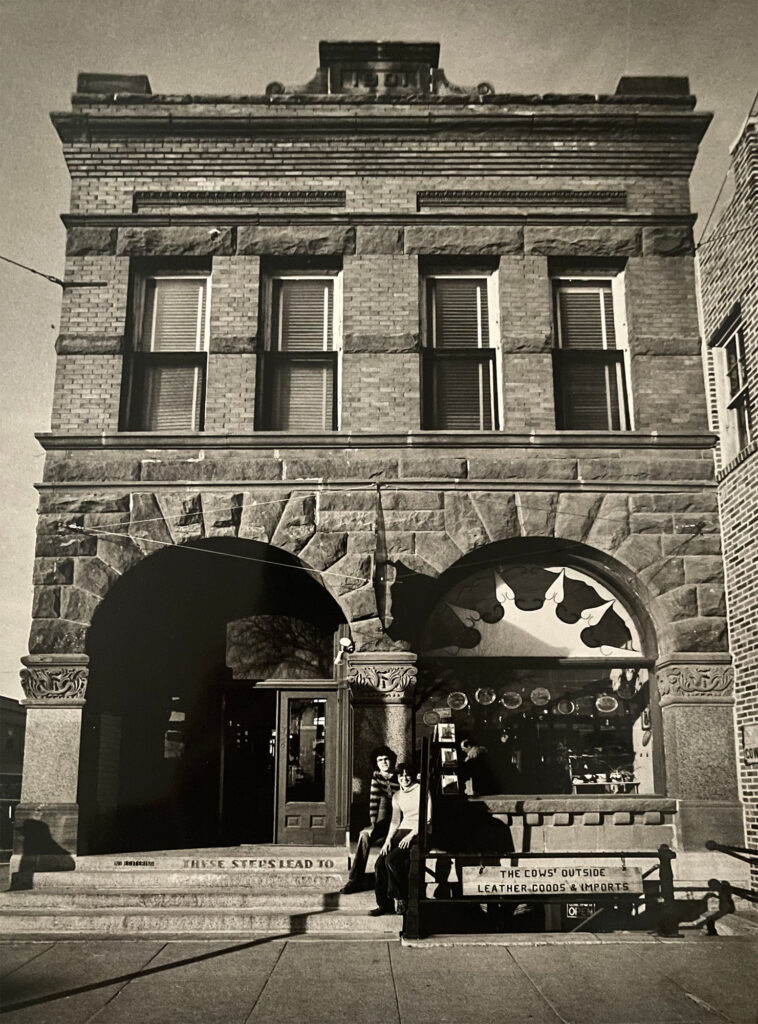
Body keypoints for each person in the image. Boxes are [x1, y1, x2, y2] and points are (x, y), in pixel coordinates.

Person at [340, 746, 398, 894]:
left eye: (386, 759)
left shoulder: (401, 775)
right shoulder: (377, 776)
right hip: (385, 821)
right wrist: (372, 824)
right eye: (380, 760)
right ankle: (355, 880)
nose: (383, 762)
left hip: (400, 822)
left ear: (392, 760)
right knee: (364, 836)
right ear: (376, 763)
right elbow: (374, 801)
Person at [370, 761, 420, 916]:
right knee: (379, 863)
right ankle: (384, 905)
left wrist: (411, 835)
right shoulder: (397, 795)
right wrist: (387, 841)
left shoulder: (421, 790)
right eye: (401, 776)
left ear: (412, 776)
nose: (404, 778)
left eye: (407, 775)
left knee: (391, 860)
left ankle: (401, 898)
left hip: (417, 832)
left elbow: (428, 819)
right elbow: (395, 821)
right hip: (401, 831)